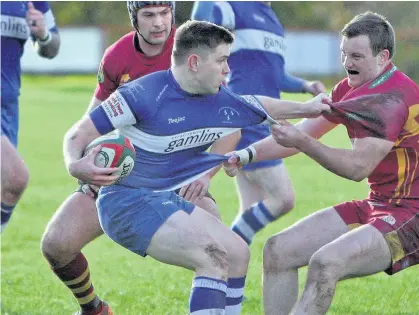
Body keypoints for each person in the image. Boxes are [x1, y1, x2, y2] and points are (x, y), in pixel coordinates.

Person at [62, 20, 330, 315]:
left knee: (237, 252)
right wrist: (76, 165)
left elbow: (258, 104)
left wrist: (308, 108)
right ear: (194, 62)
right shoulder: (143, 94)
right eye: (222, 60)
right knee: (212, 258)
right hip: (126, 203)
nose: (228, 70)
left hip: (164, 198)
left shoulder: (217, 97)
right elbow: (77, 135)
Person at [226, 11, 419, 315]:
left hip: (418, 217)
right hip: (378, 205)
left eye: (356, 55)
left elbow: (357, 168)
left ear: (383, 57)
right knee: (278, 250)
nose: (347, 63)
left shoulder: (392, 99)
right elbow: (298, 135)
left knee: (325, 263)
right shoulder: (347, 88)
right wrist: (245, 155)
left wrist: (302, 142)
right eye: (344, 54)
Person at [40, 2, 232, 315]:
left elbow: (228, 121)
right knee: (56, 244)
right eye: (149, 15)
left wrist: (205, 175)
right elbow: (91, 120)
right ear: (134, 17)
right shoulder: (117, 57)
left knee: (222, 250)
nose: (159, 23)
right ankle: (94, 310)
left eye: (164, 13)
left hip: (176, 179)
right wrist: (84, 161)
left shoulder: (197, 49)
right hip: (122, 177)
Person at [191, 1, 327, 245]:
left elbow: (275, 74)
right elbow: (199, 24)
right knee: (283, 198)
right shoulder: (234, 6)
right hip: (246, 118)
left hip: (265, 121)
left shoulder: (272, 18)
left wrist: (305, 86)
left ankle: (228, 269)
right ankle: (224, 246)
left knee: (249, 210)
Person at [1, 1, 60, 232]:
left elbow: (52, 47)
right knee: (15, 176)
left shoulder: (33, 2)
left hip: (8, 107)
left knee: (6, 186)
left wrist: (43, 35)